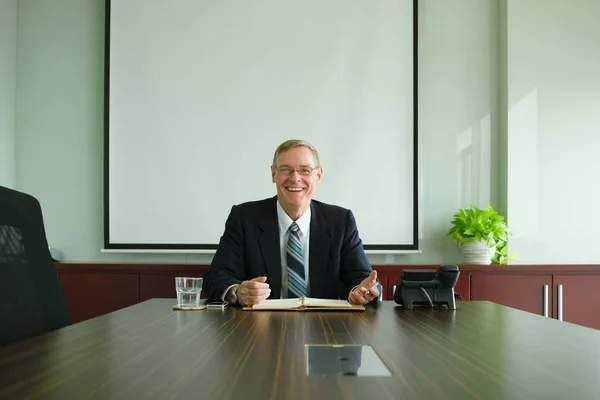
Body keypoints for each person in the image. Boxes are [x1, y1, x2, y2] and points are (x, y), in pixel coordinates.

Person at [203, 140, 380, 306]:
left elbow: (363, 279)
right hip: (259, 328)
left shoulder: (340, 221)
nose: (295, 178)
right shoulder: (244, 218)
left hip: (325, 326)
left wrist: (362, 291)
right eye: (286, 169)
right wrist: (238, 292)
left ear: (318, 175)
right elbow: (217, 277)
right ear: (273, 174)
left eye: (305, 170)